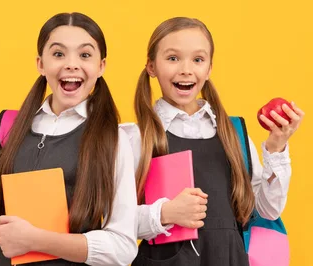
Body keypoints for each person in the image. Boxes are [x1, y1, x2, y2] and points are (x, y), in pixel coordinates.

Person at [0, 12, 138, 266]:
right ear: (40, 63)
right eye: (58, 54)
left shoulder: (114, 139)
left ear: (101, 66)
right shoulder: (11, 128)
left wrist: (36, 240)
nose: (71, 64)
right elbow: (2, 228)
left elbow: (123, 247)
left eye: (85, 55)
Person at [122, 17, 305, 265]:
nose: (186, 69)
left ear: (209, 69)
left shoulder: (234, 133)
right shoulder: (136, 137)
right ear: (152, 66)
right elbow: (116, 222)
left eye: (197, 59)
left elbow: (267, 211)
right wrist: (165, 213)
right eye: (173, 58)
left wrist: (276, 148)